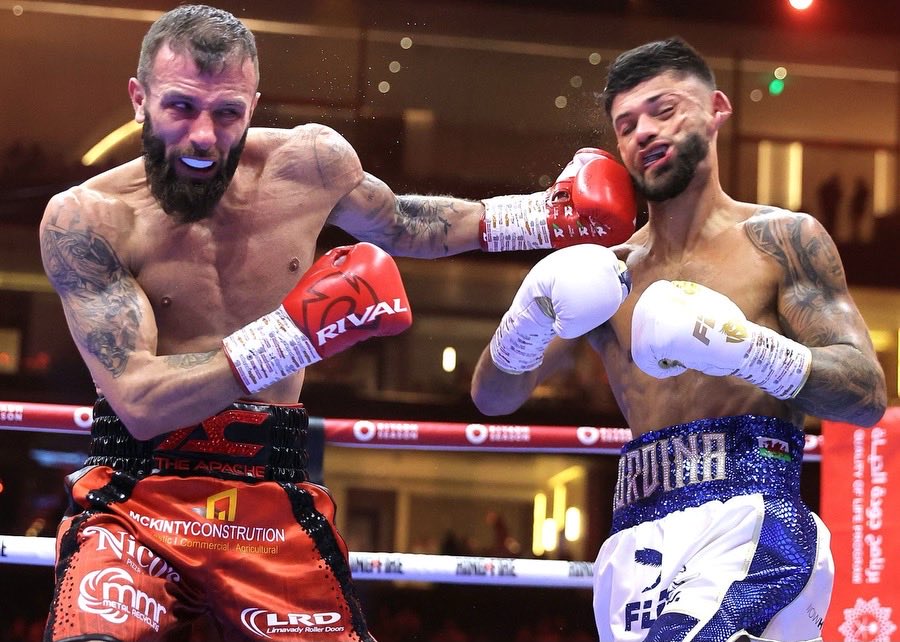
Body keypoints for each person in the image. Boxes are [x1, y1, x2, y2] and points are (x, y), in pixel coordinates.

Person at [38, 5, 637, 642]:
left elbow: (407, 222)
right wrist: (293, 334)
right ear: (139, 98)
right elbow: (138, 399)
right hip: (137, 492)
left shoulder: (309, 164)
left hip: (269, 493)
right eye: (181, 108)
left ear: (254, 103)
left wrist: (543, 217)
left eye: (228, 113)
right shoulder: (88, 220)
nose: (205, 137)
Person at [470, 37, 887, 642]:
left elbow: (865, 392)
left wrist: (749, 348)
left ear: (717, 108)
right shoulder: (606, 274)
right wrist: (526, 318)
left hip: (755, 522)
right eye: (626, 124)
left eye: (663, 110)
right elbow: (494, 398)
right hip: (637, 541)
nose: (643, 131)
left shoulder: (783, 240)